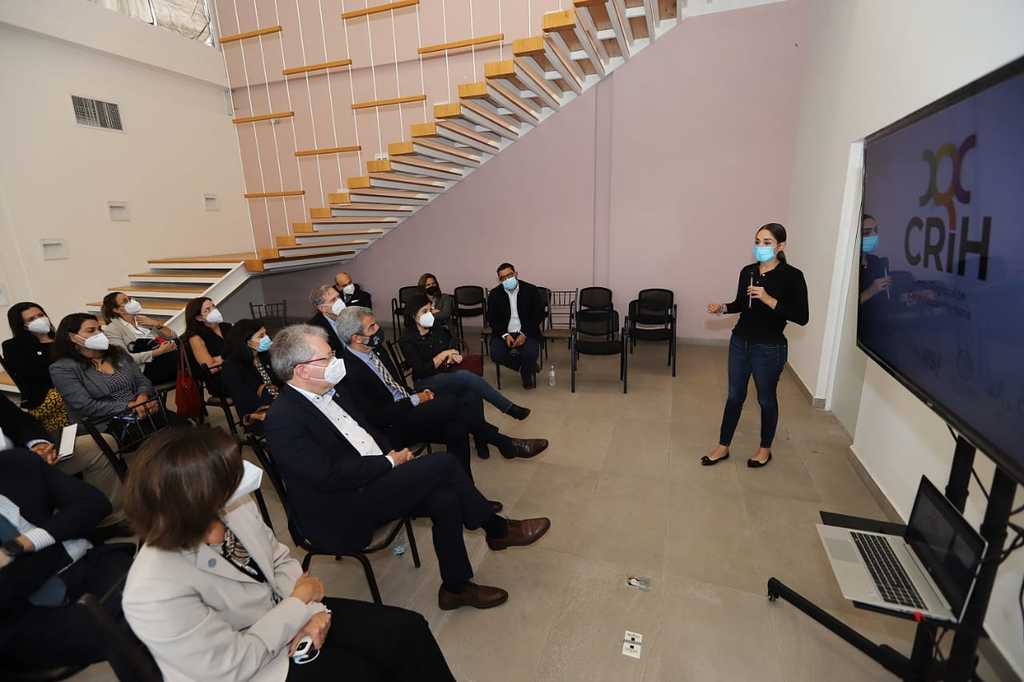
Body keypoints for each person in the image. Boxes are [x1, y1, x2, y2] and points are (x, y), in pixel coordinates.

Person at [122, 426, 456, 681]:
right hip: (252, 669)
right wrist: (298, 608)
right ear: (197, 496)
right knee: (361, 672)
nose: (245, 475)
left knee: (407, 631)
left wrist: (310, 615)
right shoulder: (153, 589)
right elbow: (231, 664)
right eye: (231, 473)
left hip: (290, 613)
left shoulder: (233, 507)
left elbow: (279, 558)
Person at [264, 324, 551, 610]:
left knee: (446, 498)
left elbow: (367, 429)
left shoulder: (332, 391)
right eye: (327, 357)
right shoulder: (283, 419)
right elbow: (328, 477)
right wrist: (390, 462)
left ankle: (456, 588)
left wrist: (390, 453)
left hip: (372, 478)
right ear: (302, 370)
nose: (336, 361)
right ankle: (497, 529)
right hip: (341, 507)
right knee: (444, 464)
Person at [337, 306, 546, 467]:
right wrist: (416, 399)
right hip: (395, 423)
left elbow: (396, 385)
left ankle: (467, 490)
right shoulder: (349, 371)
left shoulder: (376, 351)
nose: (379, 329)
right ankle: (506, 444)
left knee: (460, 420)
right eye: (372, 327)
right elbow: (377, 416)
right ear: (356, 338)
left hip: (409, 401)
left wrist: (416, 395)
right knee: (453, 403)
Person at [0, 446, 134, 678]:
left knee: (157, 598)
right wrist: (58, 533)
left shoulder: (14, 463)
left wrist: (25, 544)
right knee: (126, 627)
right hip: (22, 615)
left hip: (88, 565)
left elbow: (94, 503)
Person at [701, 222, 809, 468]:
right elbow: (741, 303)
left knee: (766, 399)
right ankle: (723, 445)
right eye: (758, 242)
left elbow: (802, 317)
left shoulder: (792, 276)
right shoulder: (748, 271)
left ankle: (764, 449)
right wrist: (722, 308)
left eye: (767, 242)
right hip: (740, 342)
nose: (761, 247)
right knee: (734, 396)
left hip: (769, 348)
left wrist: (769, 299)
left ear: (780, 246)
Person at [400, 294, 537, 453]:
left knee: (472, 393)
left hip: (446, 374)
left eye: (430, 310)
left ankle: (481, 441)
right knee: (465, 377)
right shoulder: (407, 340)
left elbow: (450, 346)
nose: (429, 314)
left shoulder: (436, 328)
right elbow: (421, 370)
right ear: (413, 315)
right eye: (424, 311)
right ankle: (509, 408)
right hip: (425, 383)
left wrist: (451, 355)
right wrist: (443, 355)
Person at [1, 392, 123, 524]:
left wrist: (39, 444)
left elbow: (20, 420)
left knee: (99, 444)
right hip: (10, 477)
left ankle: (111, 522)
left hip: (35, 456)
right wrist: (26, 459)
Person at [49, 313, 161, 440]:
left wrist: (143, 398)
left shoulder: (117, 352)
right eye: (91, 330)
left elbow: (142, 380)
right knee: (157, 438)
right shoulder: (62, 368)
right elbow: (86, 406)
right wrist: (131, 406)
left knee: (175, 425)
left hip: (140, 409)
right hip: (105, 422)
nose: (99, 334)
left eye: (99, 329)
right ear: (73, 337)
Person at [3, 301, 68, 431]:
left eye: (41, 315)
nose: (40, 320)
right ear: (22, 325)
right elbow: (32, 374)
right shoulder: (13, 346)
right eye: (31, 319)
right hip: (47, 397)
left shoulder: (61, 340)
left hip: (71, 389)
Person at [486, 263, 545, 389]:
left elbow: (538, 315)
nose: (507, 279)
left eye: (510, 275)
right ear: (499, 280)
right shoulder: (495, 294)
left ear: (516, 274)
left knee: (531, 353)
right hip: (504, 332)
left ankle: (527, 375)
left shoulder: (530, 290)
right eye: (503, 278)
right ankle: (524, 368)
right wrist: (505, 335)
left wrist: (524, 334)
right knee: (496, 354)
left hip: (527, 331)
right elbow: (492, 319)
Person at [101, 291, 179, 384]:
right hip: (145, 369)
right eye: (125, 301)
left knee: (184, 347)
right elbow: (124, 359)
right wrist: (158, 352)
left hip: (164, 358)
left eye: (130, 299)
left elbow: (173, 336)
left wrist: (157, 325)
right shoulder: (113, 329)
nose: (131, 302)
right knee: (184, 359)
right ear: (117, 310)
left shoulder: (142, 319)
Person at [222, 319, 281, 433]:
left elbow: (279, 380)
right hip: (257, 413)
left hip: (276, 402)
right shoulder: (232, 366)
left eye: (266, 334)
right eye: (261, 336)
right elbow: (245, 400)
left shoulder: (264, 355)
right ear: (247, 342)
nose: (267, 338)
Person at [184, 296, 232, 397]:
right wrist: (233, 357)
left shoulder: (227, 327)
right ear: (199, 318)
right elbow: (210, 368)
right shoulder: (195, 337)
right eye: (207, 310)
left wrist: (218, 359)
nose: (213, 310)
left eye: (213, 306)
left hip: (237, 370)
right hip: (220, 379)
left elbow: (245, 349)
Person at [307, 285, 348, 357]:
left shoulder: (350, 315)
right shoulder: (314, 329)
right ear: (322, 308)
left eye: (338, 297)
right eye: (333, 300)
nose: (340, 301)